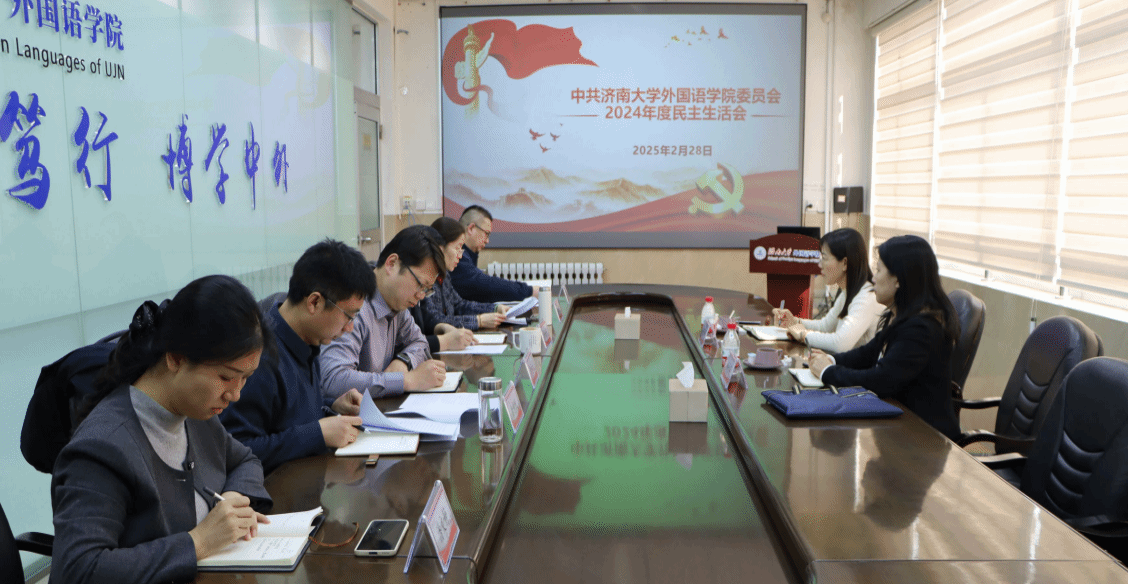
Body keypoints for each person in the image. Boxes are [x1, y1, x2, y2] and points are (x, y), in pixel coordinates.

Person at [50, 275, 275, 584]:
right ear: (176, 358)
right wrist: (199, 542)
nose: (235, 394)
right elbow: (79, 570)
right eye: (225, 377)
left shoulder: (196, 414)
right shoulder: (102, 447)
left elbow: (245, 460)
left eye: (245, 378)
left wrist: (232, 501)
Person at [220, 239, 376, 475]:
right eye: (348, 316)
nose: (350, 328)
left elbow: (285, 415)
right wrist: (317, 434)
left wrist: (330, 405)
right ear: (314, 302)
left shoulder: (308, 339)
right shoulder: (258, 357)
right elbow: (237, 450)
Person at [808, 235, 961, 441]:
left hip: (925, 438)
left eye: (879, 270)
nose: (873, 278)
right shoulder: (900, 315)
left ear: (898, 279)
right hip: (898, 424)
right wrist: (831, 360)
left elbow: (881, 380)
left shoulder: (922, 328)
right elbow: (868, 353)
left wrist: (828, 372)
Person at [319, 225, 449, 399]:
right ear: (392, 263)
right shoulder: (353, 304)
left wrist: (403, 361)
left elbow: (420, 342)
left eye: (427, 289)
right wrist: (406, 381)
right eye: (420, 284)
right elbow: (333, 379)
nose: (421, 296)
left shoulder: (397, 303)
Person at [772, 228, 884, 352]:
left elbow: (840, 344)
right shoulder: (850, 291)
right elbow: (825, 326)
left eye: (824, 258)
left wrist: (803, 335)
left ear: (845, 263)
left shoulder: (866, 297)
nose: (820, 265)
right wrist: (794, 321)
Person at [420, 217, 508, 334]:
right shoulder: (423, 281)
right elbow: (435, 322)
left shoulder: (444, 275)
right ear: (440, 248)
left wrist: (495, 308)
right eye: (457, 248)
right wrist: (479, 321)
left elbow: (459, 305)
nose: (460, 255)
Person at [449, 205, 537, 303]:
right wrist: (529, 291)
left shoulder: (467, 255)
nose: (487, 241)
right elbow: (485, 285)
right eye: (486, 234)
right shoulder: (456, 258)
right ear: (471, 228)